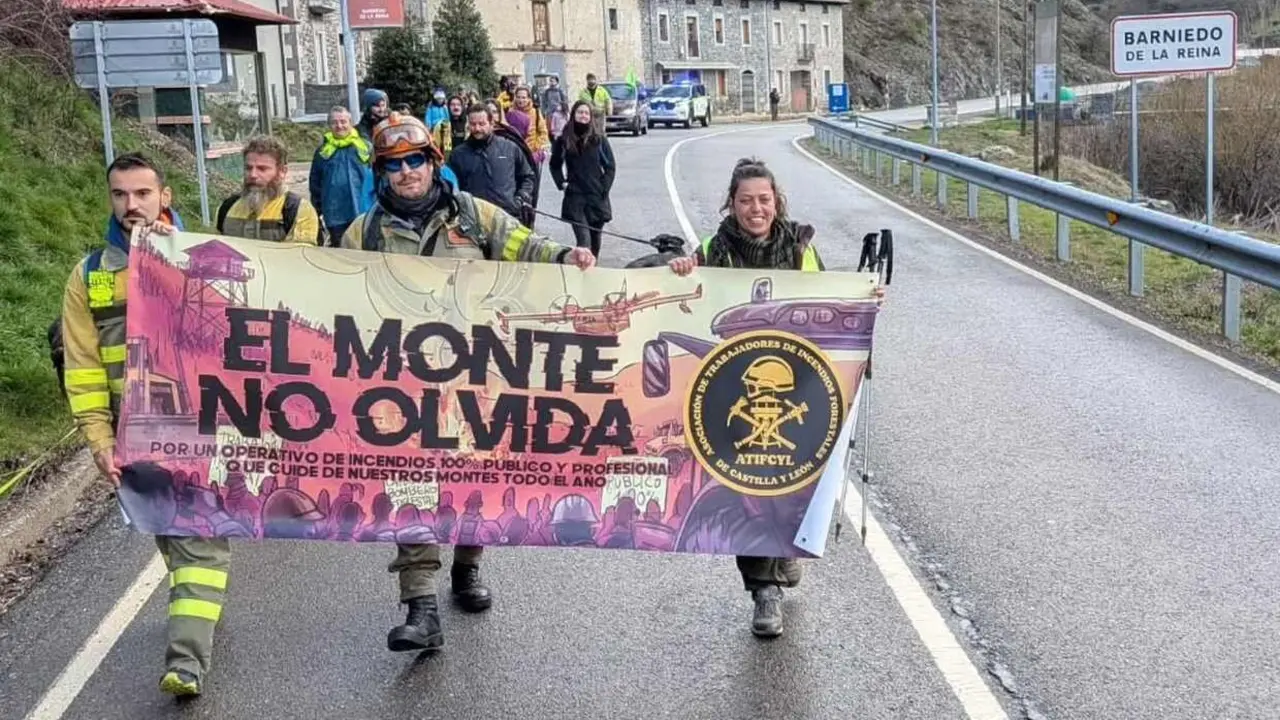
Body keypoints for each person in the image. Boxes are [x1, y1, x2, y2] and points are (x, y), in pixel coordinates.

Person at [339, 113, 595, 653]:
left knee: (471, 485)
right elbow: (323, 291)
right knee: (411, 487)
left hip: (476, 380)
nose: (406, 172)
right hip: (401, 388)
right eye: (394, 165)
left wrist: (567, 256)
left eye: (415, 161)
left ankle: (468, 567)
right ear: (382, 173)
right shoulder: (360, 234)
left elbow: (525, 246)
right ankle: (421, 606)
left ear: (433, 162)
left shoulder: (474, 218)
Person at [668, 157, 885, 639]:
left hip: (797, 383)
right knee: (747, 485)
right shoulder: (713, 250)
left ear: (776, 201)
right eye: (745, 200)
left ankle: (785, 551)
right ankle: (763, 591)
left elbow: (831, 298)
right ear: (732, 203)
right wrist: (682, 269)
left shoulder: (800, 249)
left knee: (790, 480)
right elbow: (687, 298)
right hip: (733, 392)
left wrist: (867, 300)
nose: (755, 208)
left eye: (763, 199)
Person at [60, 152, 229, 697]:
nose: (131, 205)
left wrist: (169, 260)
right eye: (119, 195)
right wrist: (98, 441)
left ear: (165, 197)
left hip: (205, 431)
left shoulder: (206, 260)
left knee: (199, 544)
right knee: (173, 539)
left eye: (142, 193)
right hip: (135, 440)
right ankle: (197, 614)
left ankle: (187, 661)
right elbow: (82, 368)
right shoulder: (89, 277)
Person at [216, 136, 320, 245]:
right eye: (248, 168)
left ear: (282, 171)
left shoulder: (298, 210)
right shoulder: (227, 207)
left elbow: (298, 257)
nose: (253, 175)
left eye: (262, 169)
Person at [447, 103, 537, 223]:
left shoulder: (510, 147)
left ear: (491, 124)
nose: (477, 128)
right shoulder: (458, 154)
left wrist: (520, 198)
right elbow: (449, 185)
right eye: (473, 124)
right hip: (474, 221)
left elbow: (528, 176)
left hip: (508, 218)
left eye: (482, 124)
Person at [549, 100, 615, 259]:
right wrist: (562, 183)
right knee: (583, 241)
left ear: (590, 116)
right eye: (580, 112)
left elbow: (610, 166)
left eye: (586, 113)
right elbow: (555, 165)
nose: (583, 116)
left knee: (595, 239)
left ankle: (593, 269)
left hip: (596, 196)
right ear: (573, 115)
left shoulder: (599, 139)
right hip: (575, 197)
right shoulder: (563, 140)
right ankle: (583, 271)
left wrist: (604, 186)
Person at [309, 105, 375, 247]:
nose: (339, 126)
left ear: (351, 123)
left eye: (343, 122)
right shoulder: (323, 152)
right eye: (334, 122)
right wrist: (316, 210)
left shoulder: (365, 147)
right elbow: (315, 183)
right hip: (335, 215)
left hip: (363, 212)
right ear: (329, 125)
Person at [505, 85, 550, 170]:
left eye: (523, 97)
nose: (521, 100)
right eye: (518, 97)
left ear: (529, 98)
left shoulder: (535, 113)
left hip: (532, 155)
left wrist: (536, 146)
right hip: (515, 155)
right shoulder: (510, 113)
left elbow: (543, 132)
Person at [431, 94, 468, 159]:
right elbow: (435, 147)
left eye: (459, 105)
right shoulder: (441, 125)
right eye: (452, 105)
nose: (456, 107)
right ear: (448, 107)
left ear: (462, 107)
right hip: (448, 161)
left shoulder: (469, 124)